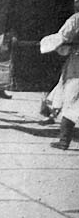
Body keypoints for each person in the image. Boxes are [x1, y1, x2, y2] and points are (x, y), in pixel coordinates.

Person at [40, 12, 79, 150]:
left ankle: (64, 141)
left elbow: (62, 37)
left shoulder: (76, 19)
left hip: (77, 65)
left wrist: (48, 44)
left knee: (71, 99)